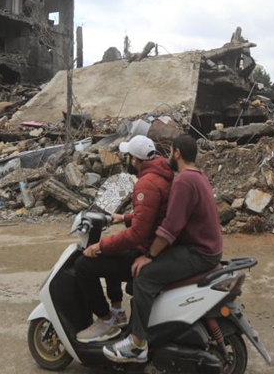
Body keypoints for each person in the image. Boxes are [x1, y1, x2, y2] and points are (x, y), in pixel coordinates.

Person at [104, 135, 224, 363]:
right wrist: (127, 217)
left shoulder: (182, 181)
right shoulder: (197, 176)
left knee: (144, 275)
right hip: (208, 248)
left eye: (169, 152)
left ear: (177, 153)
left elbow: (170, 227)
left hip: (199, 252)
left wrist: (149, 256)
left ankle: (138, 343)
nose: (167, 156)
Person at [74, 135, 173, 343]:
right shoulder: (161, 174)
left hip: (147, 250)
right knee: (114, 248)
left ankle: (105, 320)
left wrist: (99, 246)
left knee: (84, 264)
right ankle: (117, 311)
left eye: (127, 156)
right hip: (154, 245)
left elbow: (137, 234)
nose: (125, 160)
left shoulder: (146, 184)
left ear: (135, 160)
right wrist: (124, 217)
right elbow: (151, 215)